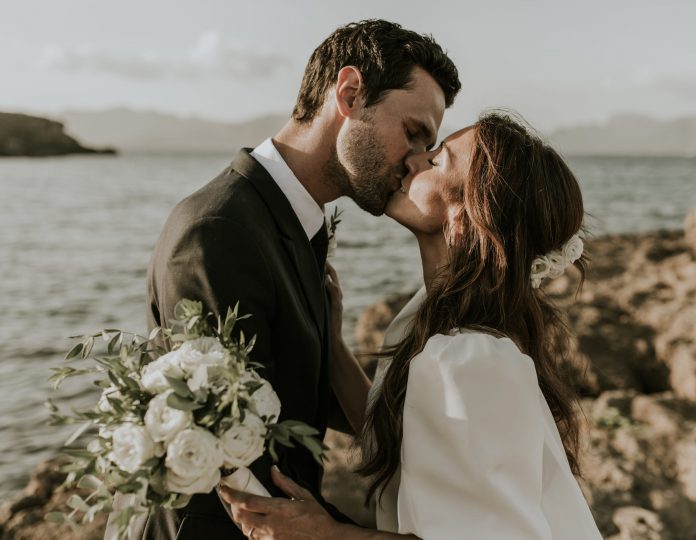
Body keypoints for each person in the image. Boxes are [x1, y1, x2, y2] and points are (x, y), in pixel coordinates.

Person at [107, 19, 461, 540]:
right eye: (412, 133)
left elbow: (287, 403)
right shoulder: (220, 231)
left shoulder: (297, 224)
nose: (414, 164)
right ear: (349, 93)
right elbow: (226, 450)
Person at [220, 112, 603, 539]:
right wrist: (331, 338)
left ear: (466, 218)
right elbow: (398, 432)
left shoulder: (473, 357)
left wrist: (327, 534)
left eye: (437, 161)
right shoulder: (429, 319)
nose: (413, 161)